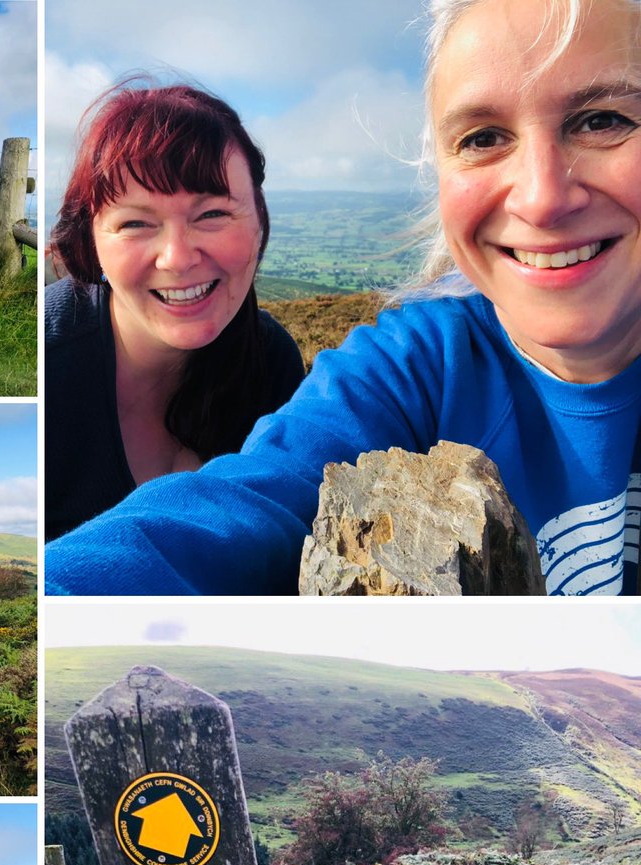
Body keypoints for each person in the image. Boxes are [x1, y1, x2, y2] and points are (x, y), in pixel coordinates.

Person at [45, 0, 641, 596]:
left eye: (603, 120)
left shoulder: (262, 357)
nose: (541, 199)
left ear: (259, 225)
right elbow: (260, 493)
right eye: (484, 137)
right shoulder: (412, 372)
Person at [45, 81, 305, 542]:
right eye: (136, 223)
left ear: (260, 222)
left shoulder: (271, 363)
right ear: (92, 238)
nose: (177, 258)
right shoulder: (45, 364)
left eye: (212, 215)